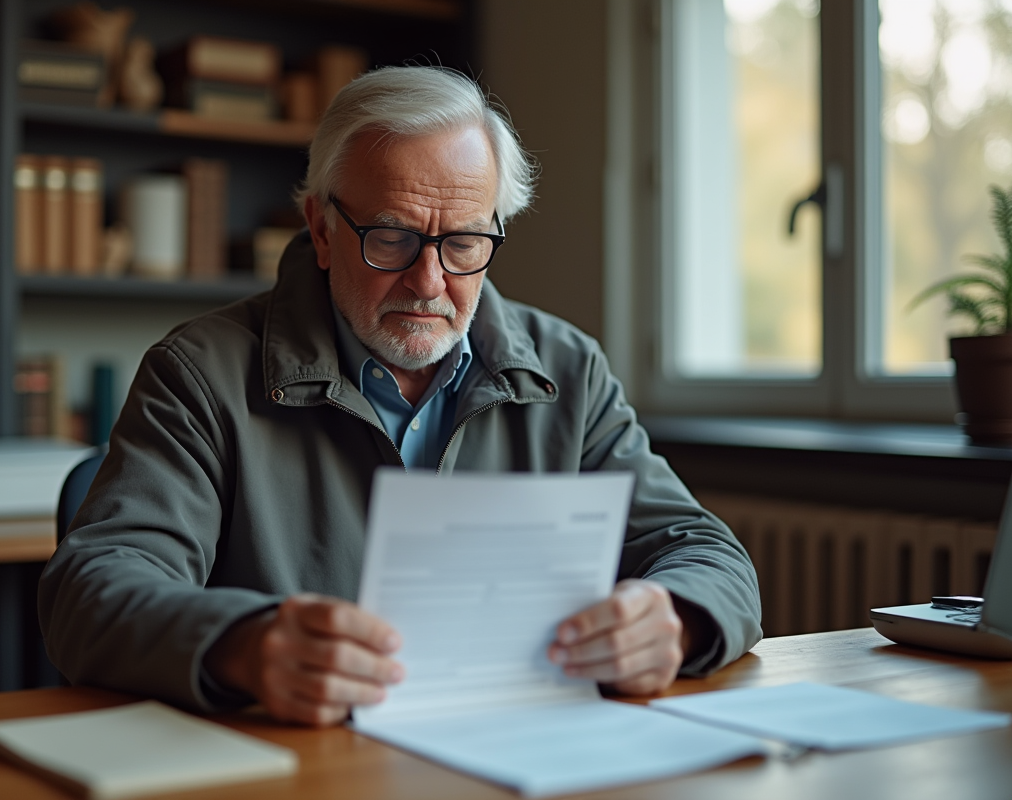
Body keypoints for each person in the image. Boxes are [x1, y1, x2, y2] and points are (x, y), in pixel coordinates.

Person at [38, 66, 762, 727]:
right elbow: (91, 590)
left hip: (517, 749)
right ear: (321, 229)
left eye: (465, 243)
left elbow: (707, 553)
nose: (428, 282)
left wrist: (675, 618)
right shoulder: (199, 373)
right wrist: (242, 645)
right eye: (391, 238)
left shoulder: (567, 369)